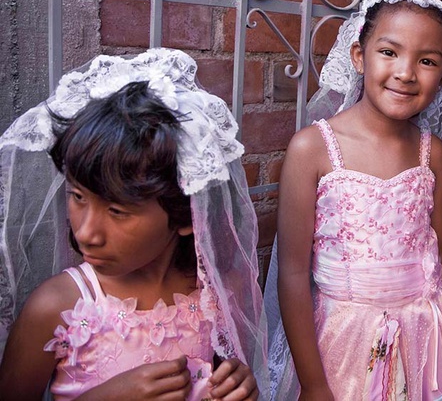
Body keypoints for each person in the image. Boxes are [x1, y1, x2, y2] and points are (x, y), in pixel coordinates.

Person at [0, 49, 267, 400]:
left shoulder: (211, 296)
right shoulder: (56, 307)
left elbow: (215, 373)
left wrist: (237, 384)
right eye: (78, 197)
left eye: (117, 211)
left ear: (185, 215)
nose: (85, 233)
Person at [269, 0, 442, 400]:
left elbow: (441, 253)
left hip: (427, 338)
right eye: (389, 52)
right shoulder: (312, 149)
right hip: (343, 345)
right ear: (358, 57)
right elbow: (293, 275)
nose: (406, 72)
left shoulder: (431, 152)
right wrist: (314, 385)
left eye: (427, 61)